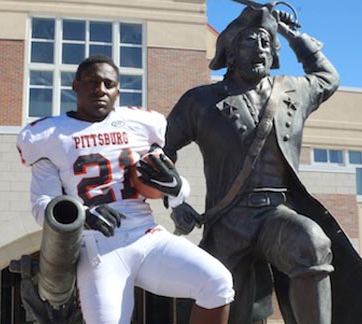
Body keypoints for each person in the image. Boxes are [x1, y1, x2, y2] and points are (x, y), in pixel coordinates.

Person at [164, 5, 362, 324]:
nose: (260, 48)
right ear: (230, 53)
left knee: (311, 242)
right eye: (250, 41)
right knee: (221, 299)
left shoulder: (293, 90)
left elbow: (328, 77)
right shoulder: (200, 101)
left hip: (276, 214)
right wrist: (175, 201)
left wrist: (293, 36)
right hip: (229, 222)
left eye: (266, 42)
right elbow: (162, 149)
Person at [16, 55, 234, 324]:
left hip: (146, 235)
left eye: (109, 84)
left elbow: (166, 181)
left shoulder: (140, 125)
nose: (100, 89)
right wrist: (82, 215)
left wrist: (177, 188)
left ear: (118, 91)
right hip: (98, 247)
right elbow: (42, 204)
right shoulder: (49, 135)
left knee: (217, 282)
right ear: (75, 86)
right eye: (92, 82)